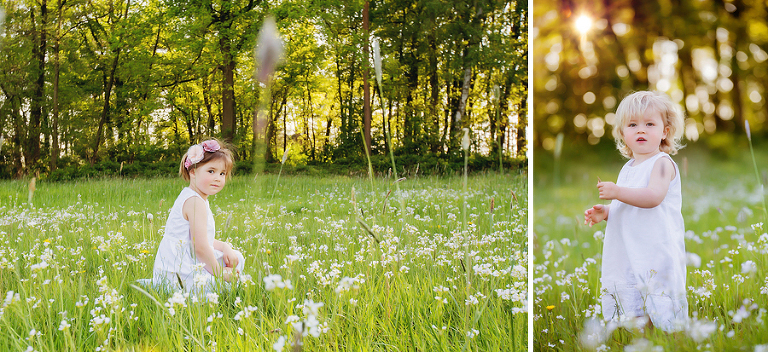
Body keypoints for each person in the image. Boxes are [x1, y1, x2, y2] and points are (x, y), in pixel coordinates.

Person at [583, 91, 688, 332]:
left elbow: (653, 197)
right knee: (634, 289)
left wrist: (617, 192)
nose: (641, 130)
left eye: (649, 124)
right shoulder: (629, 167)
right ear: (623, 134)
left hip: (655, 246)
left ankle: (664, 335)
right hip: (631, 247)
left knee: (655, 290)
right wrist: (608, 211)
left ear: (665, 131)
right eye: (633, 125)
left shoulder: (662, 163)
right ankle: (640, 335)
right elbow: (630, 205)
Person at [152, 139, 245, 292]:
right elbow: (200, 248)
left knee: (235, 257)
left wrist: (224, 246)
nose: (217, 178)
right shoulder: (195, 202)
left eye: (222, 173)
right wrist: (221, 274)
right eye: (211, 171)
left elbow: (201, 239)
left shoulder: (194, 197)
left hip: (182, 263)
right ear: (193, 172)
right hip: (180, 274)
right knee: (229, 283)